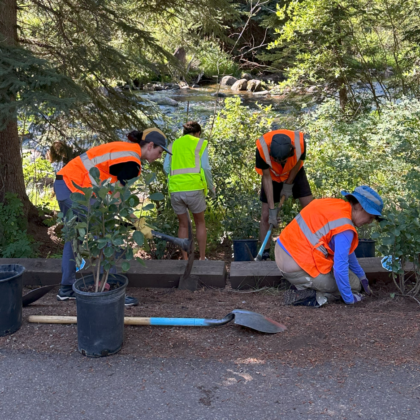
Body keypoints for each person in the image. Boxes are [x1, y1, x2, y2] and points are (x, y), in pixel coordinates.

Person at [54, 128, 170, 305]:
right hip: (75, 188)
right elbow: (118, 198)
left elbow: (111, 190)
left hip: (65, 183)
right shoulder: (132, 161)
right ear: (150, 146)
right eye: (159, 152)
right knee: (104, 233)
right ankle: (113, 293)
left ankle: (66, 289)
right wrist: (137, 222)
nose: (159, 156)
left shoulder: (126, 151)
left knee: (74, 236)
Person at [275, 186, 384, 307]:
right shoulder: (345, 227)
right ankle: (316, 296)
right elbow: (340, 268)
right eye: (370, 217)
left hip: (283, 253)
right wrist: (349, 299)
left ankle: (302, 285)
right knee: (354, 285)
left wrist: (362, 277)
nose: (369, 222)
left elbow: (348, 254)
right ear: (359, 206)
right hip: (299, 267)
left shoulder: (335, 207)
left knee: (353, 279)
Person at [256, 129, 313, 260]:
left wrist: (288, 184)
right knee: (265, 215)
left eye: (282, 160)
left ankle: (313, 247)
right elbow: (266, 177)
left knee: (310, 209)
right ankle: (264, 254)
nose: (279, 162)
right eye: (276, 160)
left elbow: (298, 163)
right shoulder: (262, 148)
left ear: (291, 151)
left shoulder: (300, 143)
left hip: (294, 172)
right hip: (271, 176)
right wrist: (272, 210)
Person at [163, 121, 215, 260]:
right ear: (198, 133)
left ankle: (185, 259)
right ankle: (202, 258)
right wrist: (211, 186)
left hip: (175, 190)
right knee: (200, 223)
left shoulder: (173, 145)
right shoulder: (200, 143)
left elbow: (166, 168)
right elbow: (206, 167)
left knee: (183, 225)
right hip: (194, 189)